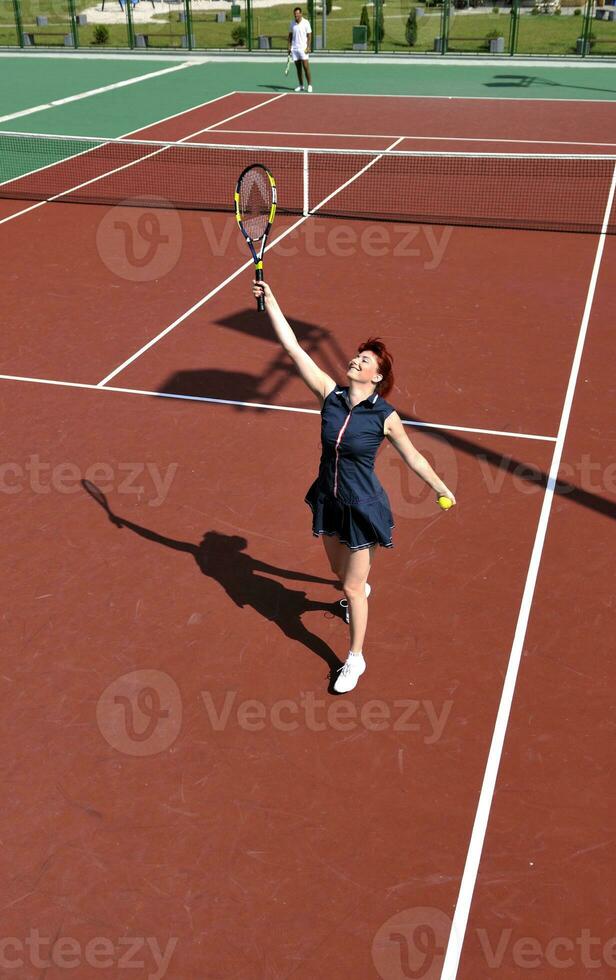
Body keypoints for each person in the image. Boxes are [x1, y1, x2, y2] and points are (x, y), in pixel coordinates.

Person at [252, 279, 456, 694]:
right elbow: (294, 349)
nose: (354, 361)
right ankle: (357, 589)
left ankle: (354, 658)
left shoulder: (384, 416)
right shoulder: (329, 394)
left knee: (348, 587)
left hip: (362, 506)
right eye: (357, 356)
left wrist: (441, 488)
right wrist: (273, 301)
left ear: (377, 377)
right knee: (338, 572)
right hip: (329, 498)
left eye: (364, 361)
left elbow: (413, 455)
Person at [288, 6, 313, 93]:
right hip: (295, 49)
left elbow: (309, 35)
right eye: (295, 14)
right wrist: (289, 46)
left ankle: (309, 85)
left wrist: (308, 47)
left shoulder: (306, 23)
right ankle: (301, 85)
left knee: (306, 67)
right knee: (298, 69)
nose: (296, 16)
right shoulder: (292, 23)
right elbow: (290, 36)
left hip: (303, 49)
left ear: (301, 14)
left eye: (298, 14)